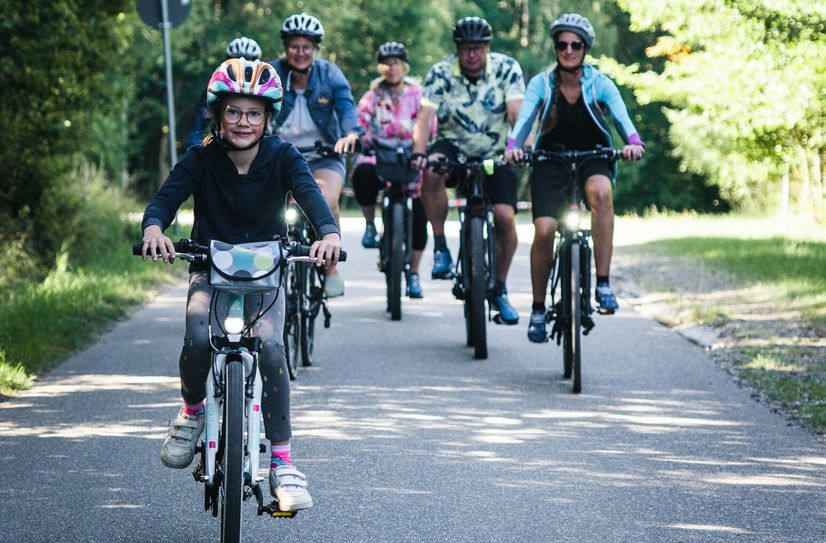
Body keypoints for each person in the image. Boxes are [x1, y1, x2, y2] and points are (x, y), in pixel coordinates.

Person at [140, 58, 342, 512]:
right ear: (218, 114)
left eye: (254, 113)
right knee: (196, 336)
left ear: (268, 116)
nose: (243, 122)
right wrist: (154, 228)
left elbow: (311, 196)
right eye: (233, 111)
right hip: (210, 269)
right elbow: (165, 199)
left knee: (271, 347)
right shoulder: (199, 158)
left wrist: (328, 234)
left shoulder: (284, 156)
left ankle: (284, 461)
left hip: (267, 273)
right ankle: (191, 413)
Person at [503, 13, 645, 342]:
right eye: (562, 44)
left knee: (601, 193)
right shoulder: (542, 83)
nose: (568, 50)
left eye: (575, 45)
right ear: (555, 47)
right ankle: (538, 309)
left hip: (593, 155)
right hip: (550, 158)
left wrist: (634, 143)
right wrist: (513, 147)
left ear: (585, 49)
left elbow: (623, 120)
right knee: (545, 229)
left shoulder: (600, 83)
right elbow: (524, 121)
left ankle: (604, 283)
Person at [412, 16, 525, 325]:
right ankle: (440, 248)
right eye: (465, 49)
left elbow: (517, 113)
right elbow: (424, 119)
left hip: (497, 152)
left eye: (477, 48)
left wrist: (520, 146)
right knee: (432, 170)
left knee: (504, 217)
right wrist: (419, 152)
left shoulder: (507, 68)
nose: (471, 55)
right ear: (458, 49)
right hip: (453, 147)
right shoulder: (441, 72)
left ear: (487, 48)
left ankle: (499, 287)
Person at [267, 12, 364, 298]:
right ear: (286, 47)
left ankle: (331, 268)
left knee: (326, 200)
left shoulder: (330, 74)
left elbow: (346, 106)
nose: (300, 53)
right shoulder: (272, 73)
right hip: (279, 157)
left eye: (306, 47)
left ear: (315, 48)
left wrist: (351, 133)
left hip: (324, 156)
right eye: (294, 47)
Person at [352, 41, 432, 298]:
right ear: (381, 67)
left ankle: (414, 273)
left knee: (421, 213)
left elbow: (431, 124)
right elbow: (359, 123)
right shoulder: (372, 96)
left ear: (403, 66)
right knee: (362, 172)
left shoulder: (418, 94)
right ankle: (370, 225)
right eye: (387, 62)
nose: (391, 67)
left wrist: (424, 148)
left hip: (411, 158)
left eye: (396, 62)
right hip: (380, 157)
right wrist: (361, 142)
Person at [186, 36, 263, 148]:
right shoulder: (215, 87)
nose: (242, 64)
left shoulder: (265, 87)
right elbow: (198, 120)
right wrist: (193, 150)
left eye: (248, 61)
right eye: (236, 61)